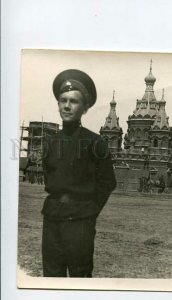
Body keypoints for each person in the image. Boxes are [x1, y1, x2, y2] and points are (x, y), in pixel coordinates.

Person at [41, 69, 116, 277]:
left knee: (80, 276)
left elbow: (107, 182)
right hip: (52, 219)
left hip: (80, 221)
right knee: (51, 276)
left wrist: (89, 211)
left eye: (73, 101)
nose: (67, 106)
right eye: (63, 100)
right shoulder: (50, 142)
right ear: (58, 104)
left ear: (84, 108)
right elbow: (50, 177)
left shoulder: (95, 143)